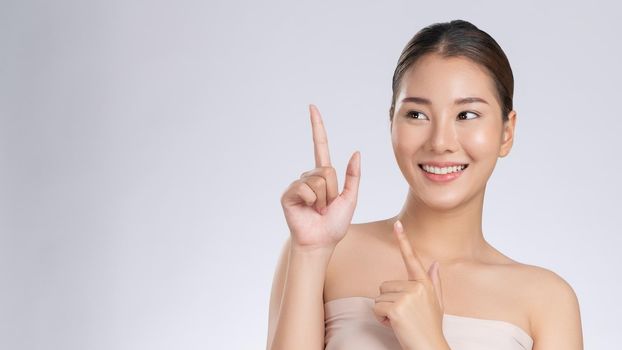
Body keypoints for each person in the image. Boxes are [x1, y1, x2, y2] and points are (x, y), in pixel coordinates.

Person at [266, 19, 583, 350]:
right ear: (392, 121)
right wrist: (310, 252)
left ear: (507, 131)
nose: (441, 142)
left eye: (467, 115)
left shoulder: (548, 302)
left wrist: (429, 340)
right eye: (417, 114)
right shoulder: (326, 253)